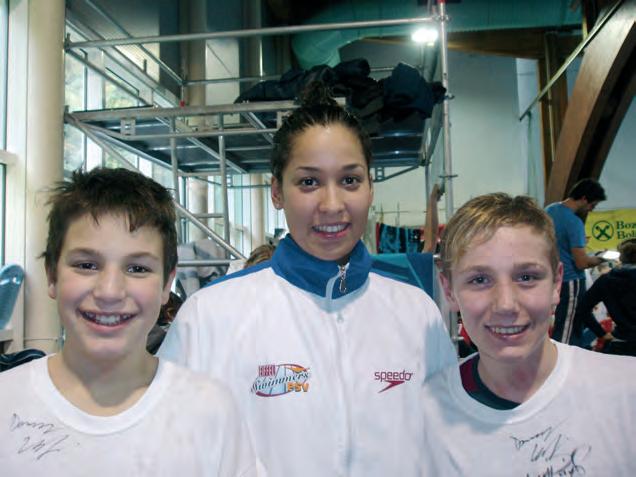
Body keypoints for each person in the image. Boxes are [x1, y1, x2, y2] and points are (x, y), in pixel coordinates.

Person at [159, 82, 457, 477]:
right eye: (309, 182)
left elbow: (447, 448)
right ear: (277, 192)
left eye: (350, 180)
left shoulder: (416, 313)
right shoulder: (209, 317)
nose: (332, 205)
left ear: (370, 187)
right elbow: (167, 453)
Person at [0, 168, 257, 477]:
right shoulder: (6, 403)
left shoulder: (211, 411)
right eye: (87, 265)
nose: (110, 291)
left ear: (166, 284)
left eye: (137, 268)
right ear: (52, 275)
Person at [420, 193, 636, 475]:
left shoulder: (626, 390)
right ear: (449, 291)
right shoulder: (423, 415)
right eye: (479, 280)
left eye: (527, 277)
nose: (506, 304)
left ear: (557, 283)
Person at [545, 178, 606, 343]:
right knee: (567, 328)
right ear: (584, 198)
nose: (591, 209)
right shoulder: (574, 222)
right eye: (592, 205)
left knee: (559, 325)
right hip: (570, 280)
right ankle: (563, 358)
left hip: (551, 277)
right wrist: (600, 259)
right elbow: (582, 263)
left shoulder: (549, 210)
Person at [575, 238, 636, 356]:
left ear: (621, 257)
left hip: (620, 345)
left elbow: (582, 309)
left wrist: (601, 333)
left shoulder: (606, 280)